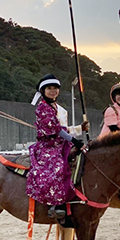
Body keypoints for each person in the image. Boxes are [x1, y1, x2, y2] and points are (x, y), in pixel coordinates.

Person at [26, 74, 89, 219]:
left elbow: (64, 129)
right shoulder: (42, 108)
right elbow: (56, 130)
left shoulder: (59, 109)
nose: (52, 91)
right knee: (58, 166)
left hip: (62, 143)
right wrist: (75, 140)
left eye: (55, 88)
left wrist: (80, 128)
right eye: (49, 88)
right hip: (48, 146)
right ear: (43, 91)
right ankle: (56, 204)